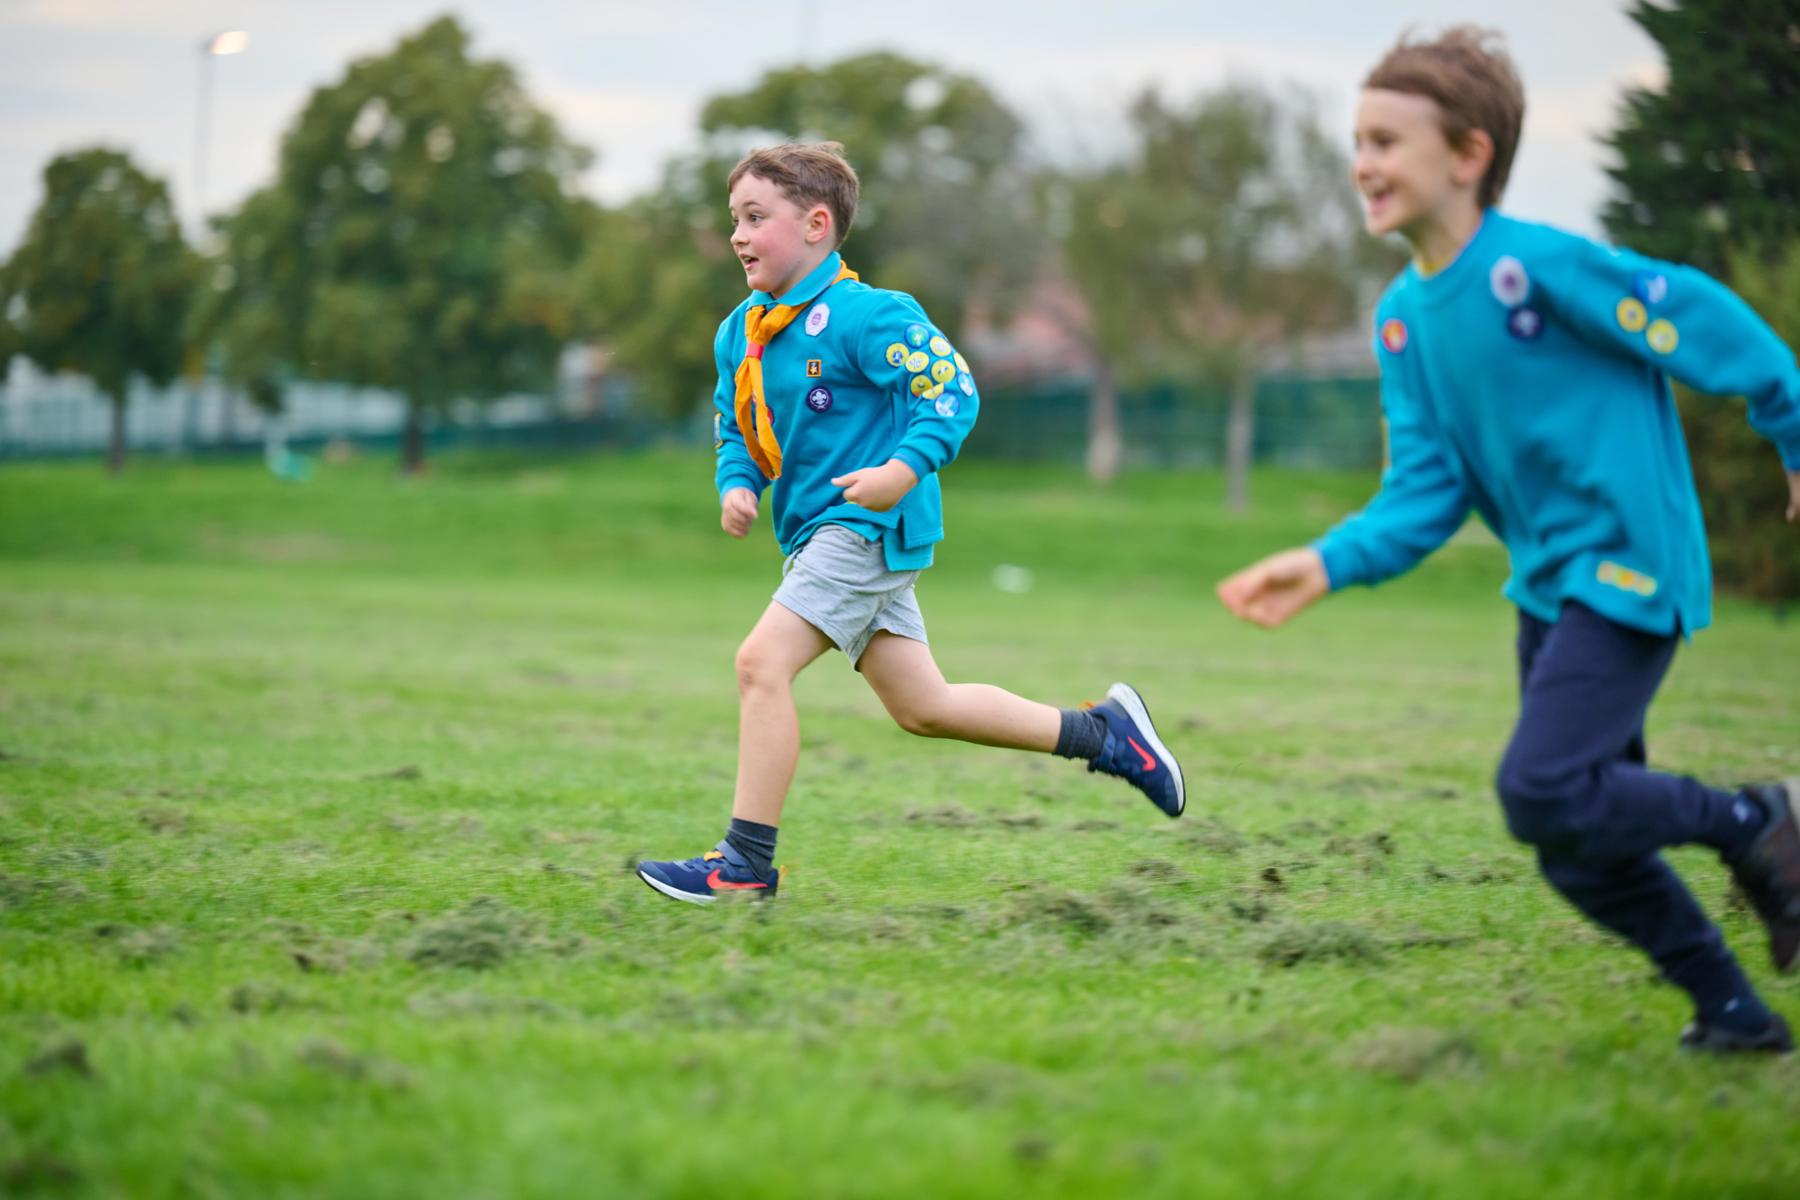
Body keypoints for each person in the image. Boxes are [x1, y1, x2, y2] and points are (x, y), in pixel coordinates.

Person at [1215, 27, 1800, 1054]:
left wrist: (1788, 420)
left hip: (1629, 568)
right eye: (1358, 140)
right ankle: (1735, 1014)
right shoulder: (1402, 321)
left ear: (1469, 155)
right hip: (1551, 593)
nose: (1365, 163)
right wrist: (1325, 562)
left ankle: (1758, 822)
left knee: (1540, 789)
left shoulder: (1538, 269)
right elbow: (1425, 493)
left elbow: (1693, 315)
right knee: (1576, 844)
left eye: (1388, 141)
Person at [637, 142, 1184, 904]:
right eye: (734, 218)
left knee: (760, 665)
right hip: (815, 537)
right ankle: (1108, 736)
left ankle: (743, 865)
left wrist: (901, 470)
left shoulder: (870, 314)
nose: (737, 235)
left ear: (817, 225)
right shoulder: (742, 330)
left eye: (755, 217)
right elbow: (736, 423)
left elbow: (953, 390)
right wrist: (738, 484)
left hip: (863, 529)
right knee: (924, 708)